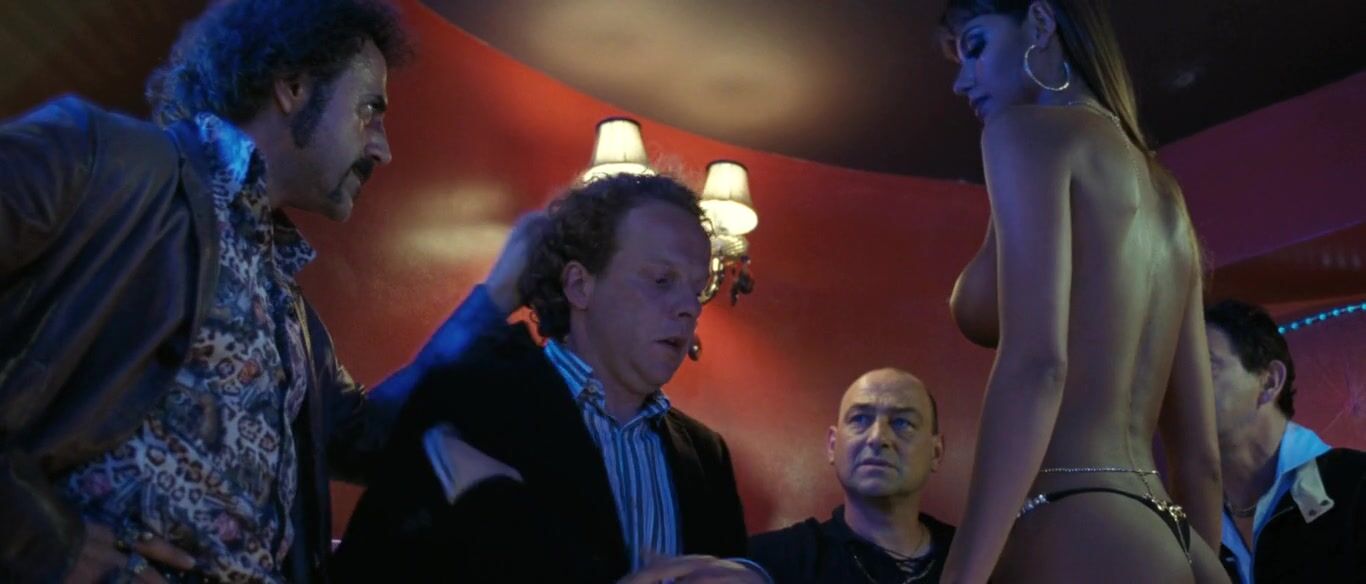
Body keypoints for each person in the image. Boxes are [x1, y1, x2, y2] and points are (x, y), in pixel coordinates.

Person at [0, 1, 537, 581]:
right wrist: (41, 540)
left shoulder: (290, 313)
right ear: (293, 87)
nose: (382, 148)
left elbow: (370, 438)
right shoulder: (100, 160)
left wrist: (500, 293)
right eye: (369, 110)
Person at [335, 173, 768, 583]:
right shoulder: (471, 403)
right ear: (579, 285)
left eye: (697, 290)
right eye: (661, 279)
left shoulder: (706, 455)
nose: (689, 308)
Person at [936, 0, 1227, 581]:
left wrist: (960, 576)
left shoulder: (1022, 135)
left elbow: (1037, 367)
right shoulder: (1167, 195)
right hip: (1172, 540)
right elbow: (1200, 458)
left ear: (1041, 22)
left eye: (975, 46)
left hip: (1075, 523)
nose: (960, 81)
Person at [1205, 299, 1366, 582]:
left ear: (1269, 382)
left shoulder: (1356, 486)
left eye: (1206, 366)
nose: (1181, 385)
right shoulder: (1184, 522)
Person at [750, 368, 956, 583]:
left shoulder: (972, 558)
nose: (877, 438)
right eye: (860, 418)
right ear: (832, 445)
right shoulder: (768, 561)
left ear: (936, 452)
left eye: (903, 423)